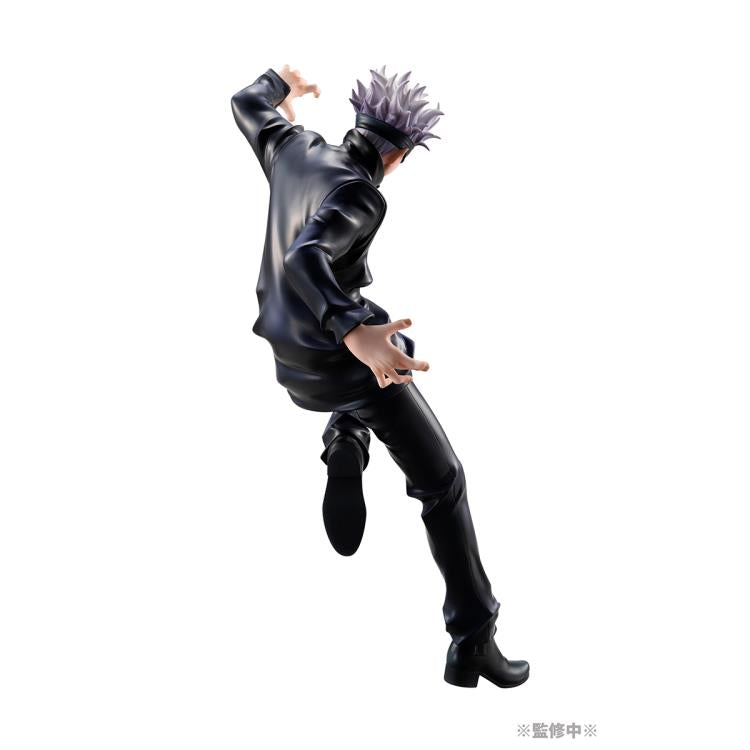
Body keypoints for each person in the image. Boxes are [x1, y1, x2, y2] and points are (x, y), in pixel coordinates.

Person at [231, 65, 529, 688]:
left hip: (287, 358)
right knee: (443, 481)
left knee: (394, 335)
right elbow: (305, 257)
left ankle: (347, 438)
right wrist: (353, 332)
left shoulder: (292, 146)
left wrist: (282, 82)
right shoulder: (364, 196)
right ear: (397, 156)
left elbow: (246, 101)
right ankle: (473, 640)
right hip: (335, 363)